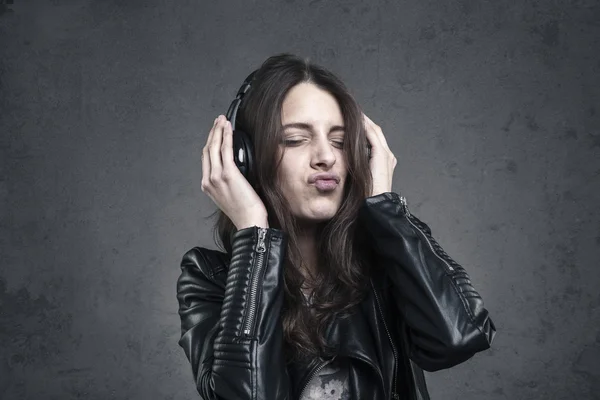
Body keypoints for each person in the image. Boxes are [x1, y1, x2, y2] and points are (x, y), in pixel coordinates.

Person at [176, 53, 496, 400]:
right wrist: (254, 233)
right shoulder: (208, 278)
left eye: (341, 142)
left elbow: (459, 338)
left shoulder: (384, 266)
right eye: (297, 139)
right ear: (246, 160)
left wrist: (386, 207)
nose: (326, 157)